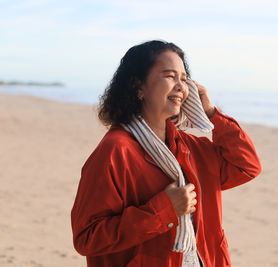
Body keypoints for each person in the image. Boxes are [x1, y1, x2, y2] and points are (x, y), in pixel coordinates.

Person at [71, 40, 262, 267]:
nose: (181, 86)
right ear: (138, 86)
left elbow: (246, 166)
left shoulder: (192, 148)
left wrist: (211, 113)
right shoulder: (116, 151)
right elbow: (87, 238)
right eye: (170, 76)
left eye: (184, 79)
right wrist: (163, 210)